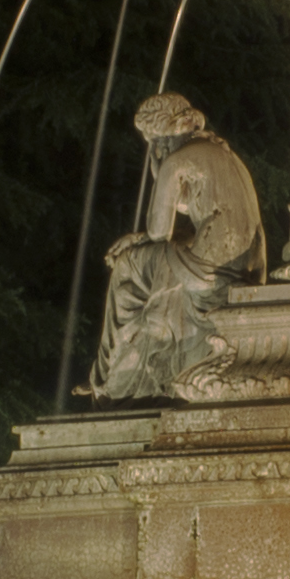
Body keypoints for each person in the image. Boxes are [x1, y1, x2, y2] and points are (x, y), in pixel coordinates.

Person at [86, 92, 264, 397]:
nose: (151, 148)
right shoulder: (221, 152)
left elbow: (158, 231)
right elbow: (188, 215)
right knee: (160, 255)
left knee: (128, 265)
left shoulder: (176, 160)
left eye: (150, 140)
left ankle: (113, 379)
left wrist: (160, 170)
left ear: (158, 136)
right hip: (248, 263)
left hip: (209, 270)